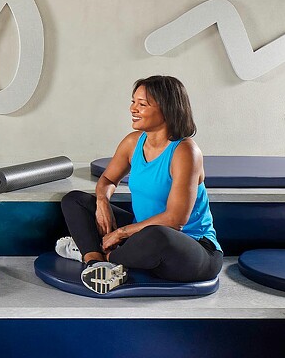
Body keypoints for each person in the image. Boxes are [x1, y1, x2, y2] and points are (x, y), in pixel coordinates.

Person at [57, 75, 222, 295]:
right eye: (133, 101)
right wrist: (102, 201)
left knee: (158, 235)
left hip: (192, 250)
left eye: (142, 104)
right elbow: (107, 180)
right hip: (142, 236)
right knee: (75, 200)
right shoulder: (133, 142)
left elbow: (175, 220)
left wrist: (121, 233)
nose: (133, 108)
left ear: (167, 109)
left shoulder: (185, 152)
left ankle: (99, 255)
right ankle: (95, 264)